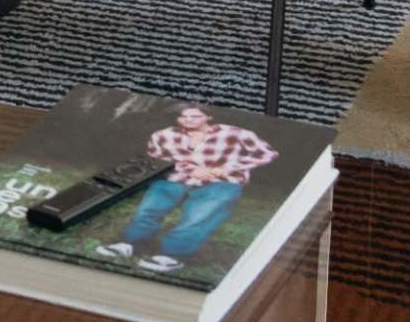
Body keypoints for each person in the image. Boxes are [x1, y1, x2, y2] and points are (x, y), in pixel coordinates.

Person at [98, 102, 279, 274]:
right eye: (183, 117)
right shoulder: (162, 135)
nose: (188, 120)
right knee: (150, 209)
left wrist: (225, 168)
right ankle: (130, 244)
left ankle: (172, 255)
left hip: (221, 181)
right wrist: (192, 169)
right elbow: (157, 158)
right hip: (175, 178)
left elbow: (267, 153)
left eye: (195, 116)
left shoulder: (236, 133)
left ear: (208, 116)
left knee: (198, 217)